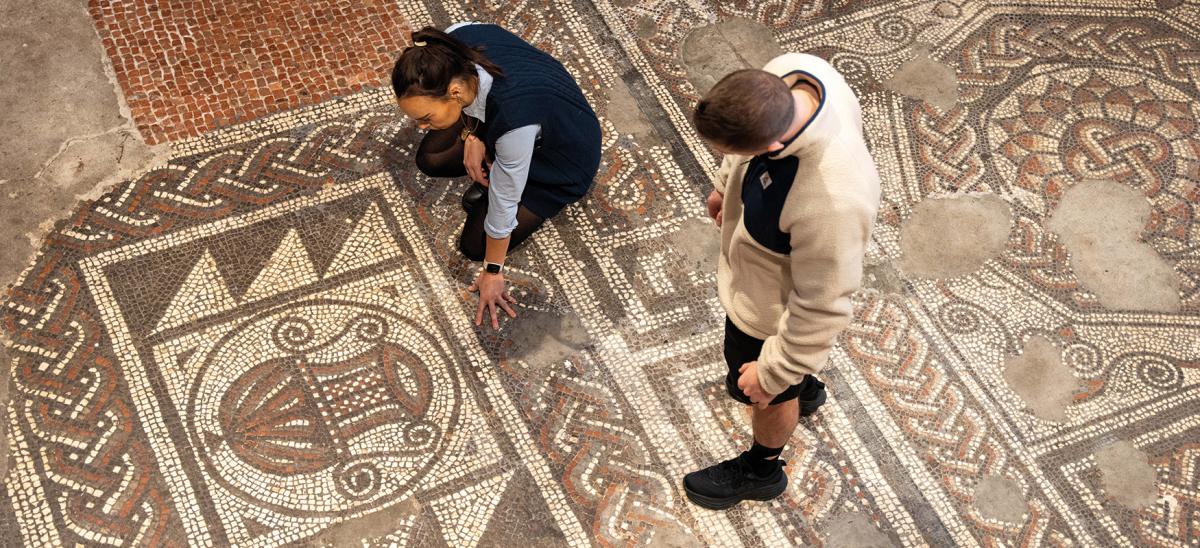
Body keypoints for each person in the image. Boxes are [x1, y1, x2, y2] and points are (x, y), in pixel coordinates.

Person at [682, 54, 881, 509]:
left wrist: (775, 373)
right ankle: (805, 388)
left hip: (772, 308)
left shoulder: (834, 199)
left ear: (770, 144)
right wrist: (724, 182)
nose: (731, 159)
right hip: (759, 265)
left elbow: (823, 304)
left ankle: (762, 468)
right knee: (781, 380)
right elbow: (739, 152)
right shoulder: (788, 73)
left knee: (764, 392)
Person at [391, 23, 601, 330]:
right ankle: (488, 169)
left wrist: (492, 272)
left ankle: (491, 178)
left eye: (425, 117)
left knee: (476, 245)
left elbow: (505, 202)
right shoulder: (451, 44)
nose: (421, 126)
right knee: (430, 158)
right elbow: (481, 98)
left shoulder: (514, 123)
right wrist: (472, 133)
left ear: (455, 92)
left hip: (561, 161)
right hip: (519, 127)